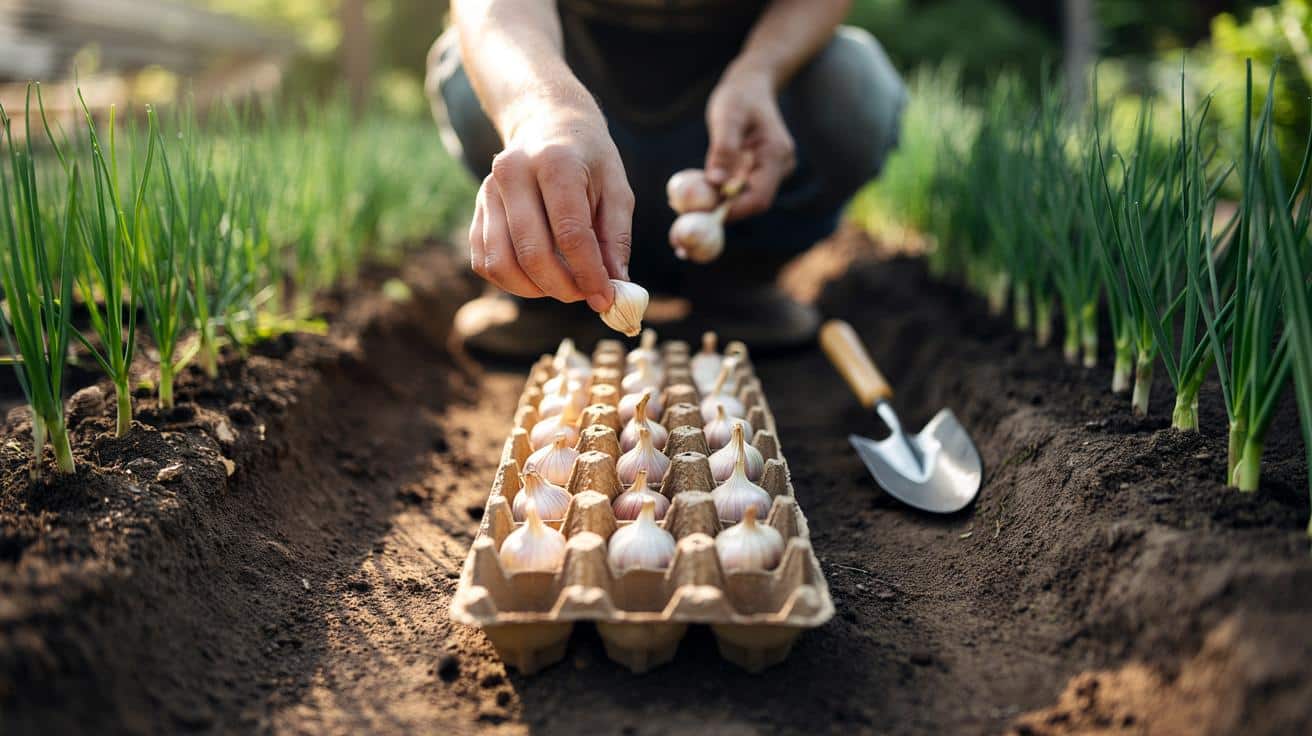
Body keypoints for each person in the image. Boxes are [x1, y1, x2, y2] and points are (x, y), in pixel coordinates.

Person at [428, 0, 905, 356]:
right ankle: (554, 291)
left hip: (723, 134)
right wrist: (542, 110)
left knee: (853, 86)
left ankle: (741, 279)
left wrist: (760, 71)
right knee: (472, 65)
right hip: (577, 97)